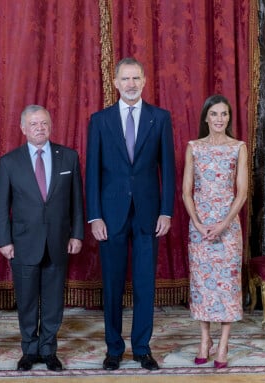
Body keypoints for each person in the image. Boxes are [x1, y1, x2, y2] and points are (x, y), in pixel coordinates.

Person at [85, 57, 176, 371]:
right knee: (111, 285)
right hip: (110, 216)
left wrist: (166, 211)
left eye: (136, 78)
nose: (131, 84)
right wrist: (94, 216)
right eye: (125, 79)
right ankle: (113, 348)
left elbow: (168, 168)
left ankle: (142, 348)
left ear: (145, 81)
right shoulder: (100, 120)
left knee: (144, 283)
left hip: (149, 215)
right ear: (115, 83)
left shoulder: (160, 118)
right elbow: (92, 171)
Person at [0, 104, 84, 372]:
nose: (40, 128)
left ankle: (48, 350)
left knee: (54, 300)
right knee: (27, 301)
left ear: (51, 125)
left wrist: (77, 234)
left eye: (44, 123)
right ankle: (29, 350)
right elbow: (1, 206)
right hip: (23, 243)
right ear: (23, 128)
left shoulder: (68, 157)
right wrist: (5, 241)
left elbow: (77, 201)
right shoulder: (10, 162)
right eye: (34, 124)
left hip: (58, 241)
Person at [181, 94, 248, 369]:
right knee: (202, 287)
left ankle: (223, 344)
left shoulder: (238, 147)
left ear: (229, 118)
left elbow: (241, 192)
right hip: (200, 228)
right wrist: (197, 222)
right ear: (206, 118)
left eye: (224, 114)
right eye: (215, 114)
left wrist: (223, 224)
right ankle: (205, 340)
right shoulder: (194, 147)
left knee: (227, 286)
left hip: (228, 228)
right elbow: (186, 191)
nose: (220, 119)